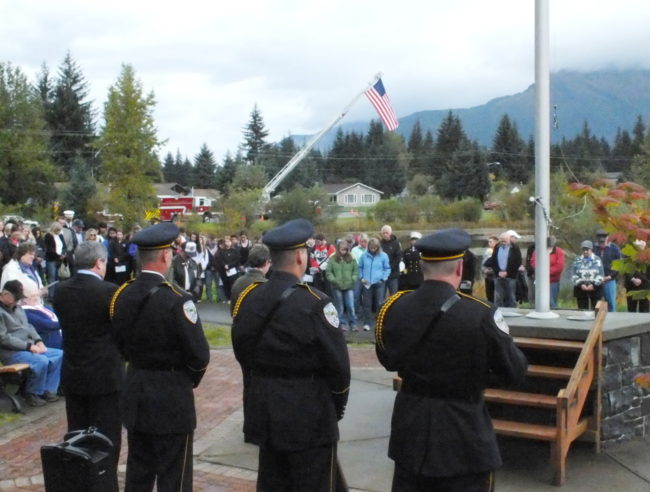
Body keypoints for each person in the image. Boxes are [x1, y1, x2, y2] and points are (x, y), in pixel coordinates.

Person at [375, 228, 528, 491]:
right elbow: (514, 372)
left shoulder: (394, 306)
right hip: (463, 434)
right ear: (459, 268)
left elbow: (388, 359)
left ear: (422, 267)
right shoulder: (480, 314)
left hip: (411, 430)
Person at [231, 218, 350, 491]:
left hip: (265, 409)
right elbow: (339, 369)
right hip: (309, 413)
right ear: (300, 256)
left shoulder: (249, 298)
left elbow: (242, 349)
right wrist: (336, 408)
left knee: (273, 482)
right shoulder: (315, 303)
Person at [110, 222, 210, 492]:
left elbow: (118, 342)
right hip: (171, 395)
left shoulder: (121, 294)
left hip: (137, 389)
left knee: (138, 473)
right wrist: (186, 379)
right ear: (166, 256)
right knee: (174, 476)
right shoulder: (178, 299)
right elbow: (199, 355)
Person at [52, 241, 122, 491]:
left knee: (77, 435)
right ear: (99, 263)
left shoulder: (60, 291)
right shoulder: (110, 292)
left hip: (74, 372)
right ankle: (105, 484)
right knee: (107, 438)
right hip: (105, 375)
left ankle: (79, 483)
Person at [0, 280, 63, 407]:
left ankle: (49, 390)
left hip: (28, 347)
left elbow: (28, 326)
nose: (17, 301)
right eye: (15, 298)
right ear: (5, 294)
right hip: (11, 352)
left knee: (58, 354)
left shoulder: (17, 308)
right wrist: (28, 346)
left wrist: (38, 341)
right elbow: (4, 338)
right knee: (41, 361)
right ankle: (32, 392)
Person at [358, 237, 391, 331]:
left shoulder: (384, 256)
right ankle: (367, 323)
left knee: (379, 303)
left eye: (375, 247)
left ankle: (379, 323)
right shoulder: (364, 256)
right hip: (366, 283)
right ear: (368, 247)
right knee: (367, 304)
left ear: (378, 247)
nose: (373, 249)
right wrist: (361, 277)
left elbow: (387, 268)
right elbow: (359, 267)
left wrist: (383, 279)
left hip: (379, 283)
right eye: (371, 247)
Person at [326, 240, 359, 331]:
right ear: (338, 249)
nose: (343, 251)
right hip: (337, 286)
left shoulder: (352, 258)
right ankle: (342, 324)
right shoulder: (332, 258)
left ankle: (353, 324)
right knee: (340, 306)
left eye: (345, 250)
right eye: (341, 249)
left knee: (350, 306)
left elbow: (355, 271)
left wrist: (353, 279)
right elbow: (328, 272)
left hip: (349, 286)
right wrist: (334, 280)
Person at [230, 243, 271, 310]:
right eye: (270, 262)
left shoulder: (238, 281)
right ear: (266, 262)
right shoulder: (266, 285)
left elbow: (233, 311)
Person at [487, 231, 522, 308]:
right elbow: (493, 261)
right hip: (498, 275)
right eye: (502, 240)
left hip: (510, 276)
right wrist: (498, 272)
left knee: (511, 297)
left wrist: (507, 272)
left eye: (505, 240)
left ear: (509, 239)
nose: (503, 242)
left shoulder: (515, 248)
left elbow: (518, 262)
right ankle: (498, 313)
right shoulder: (497, 247)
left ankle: (512, 312)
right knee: (498, 297)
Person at [22, 283, 62, 349]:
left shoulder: (46, 306)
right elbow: (46, 325)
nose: (36, 298)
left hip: (61, 335)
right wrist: (66, 323)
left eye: (37, 295)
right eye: (32, 296)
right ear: (24, 299)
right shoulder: (26, 312)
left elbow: (60, 315)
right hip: (49, 341)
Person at [530, 236, 565, 308]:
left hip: (553, 281)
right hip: (541, 281)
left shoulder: (559, 251)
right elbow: (533, 262)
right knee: (541, 303)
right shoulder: (538, 250)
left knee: (552, 303)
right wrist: (541, 271)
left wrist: (546, 272)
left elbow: (559, 266)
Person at [593, 229, 621, 312]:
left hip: (610, 280)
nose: (602, 244)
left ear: (607, 239)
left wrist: (609, 277)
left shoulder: (615, 249)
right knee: (596, 304)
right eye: (600, 242)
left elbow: (618, 266)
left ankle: (612, 322)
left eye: (603, 241)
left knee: (611, 304)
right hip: (596, 280)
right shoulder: (593, 248)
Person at [572, 240, 604, 311]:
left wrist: (593, 285)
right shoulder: (577, 260)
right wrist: (580, 284)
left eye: (587, 250)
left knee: (596, 310)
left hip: (595, 289)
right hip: (581, 289)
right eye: (583, 249)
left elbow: (601, 275)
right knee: (582, 311)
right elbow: (574, 275)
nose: (585, 252)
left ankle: (596, 321)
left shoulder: (597, 259)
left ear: (591, 249)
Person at [380, 224, 402, 296]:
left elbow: (398, 257)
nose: (385, 234)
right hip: (382, 275)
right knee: (381, 296)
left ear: (390, 233)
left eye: (387, 233)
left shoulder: (396, 243)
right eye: (384, 233)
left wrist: (390, 267)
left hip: (393, 274)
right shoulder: (379, 244)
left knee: (393, 296)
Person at [482, 235, 499, 302]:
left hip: (493, 275)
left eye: (491, 242)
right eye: (488, 242)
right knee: (488, 293)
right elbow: (484, 263)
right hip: (487, 275)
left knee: (493, 293)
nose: (489, 243)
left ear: (496, 242)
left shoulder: (497, 251)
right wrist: (484, 270)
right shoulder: (488, 251)